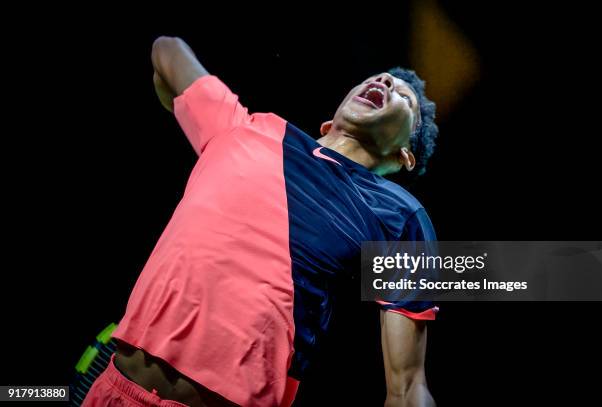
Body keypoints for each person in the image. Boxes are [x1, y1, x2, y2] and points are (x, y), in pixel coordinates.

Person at [82, 35, 439, 407]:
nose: (383, 83)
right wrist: (191, 110)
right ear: (327, 122)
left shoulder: (399, 215)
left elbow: (408, 386)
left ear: (405, 155)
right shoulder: (248, 128)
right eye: (379, 77)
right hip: (111, 391)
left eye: (403, 96)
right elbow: (166, 51)